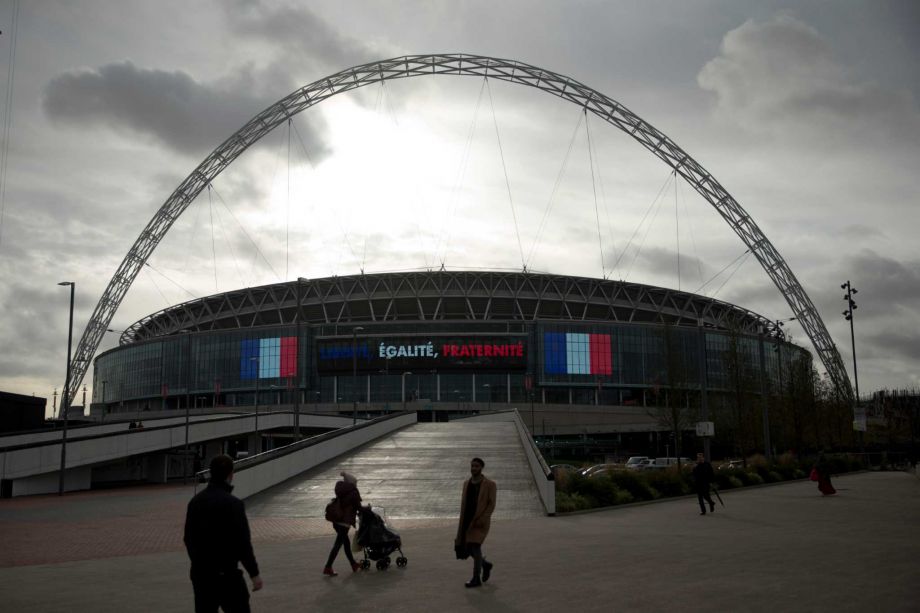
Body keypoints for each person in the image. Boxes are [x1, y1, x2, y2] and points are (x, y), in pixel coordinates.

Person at [184, 454, 262, 613]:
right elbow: (242, 544)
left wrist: (199, 563)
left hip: (202, 576)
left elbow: (188, 539)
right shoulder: (234, 504)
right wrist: (254, 573)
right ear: (230, 475)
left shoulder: (195, 502)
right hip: (228, 575)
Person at [455, 457, 497, 588]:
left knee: (475, 546)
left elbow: (491, 504)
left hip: (479, 521)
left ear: (481, 468)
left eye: (477, 466)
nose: (474, 468)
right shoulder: (466, 483)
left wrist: (483, 518)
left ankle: (476, 578)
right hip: (467, 520)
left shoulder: (490, 484)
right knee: (466, 548)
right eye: (472, 466)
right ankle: (485, 565)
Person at [324, 471, 363, 576]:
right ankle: (328, 567)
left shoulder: (341, 490)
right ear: (352, 483)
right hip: (344, 523)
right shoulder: (353, 492)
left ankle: (353, 564)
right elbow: (358, 507)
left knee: (346, 543)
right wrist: (367, 509)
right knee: (337, 545)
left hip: (336, 521)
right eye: (355, 482)